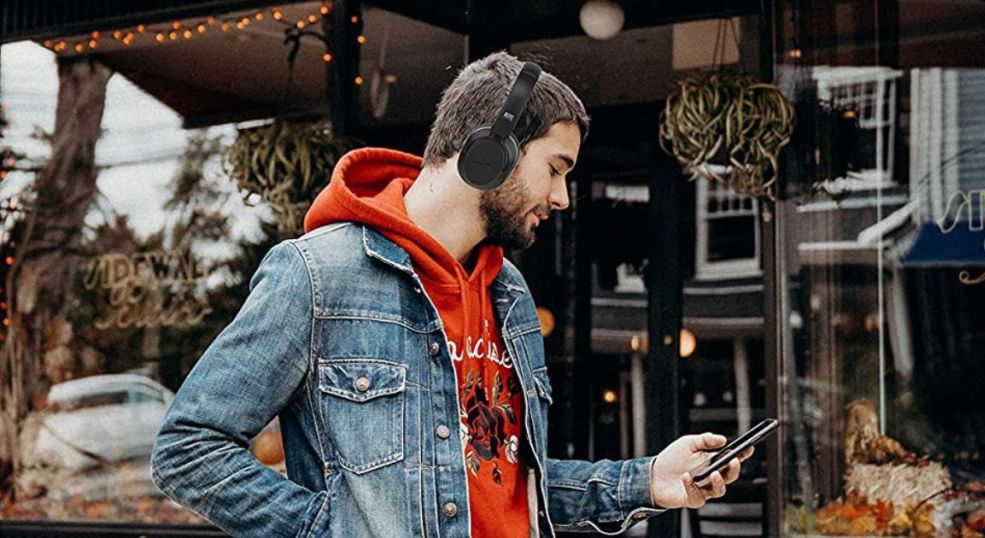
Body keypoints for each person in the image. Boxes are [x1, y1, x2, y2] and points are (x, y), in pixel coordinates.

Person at [150, 50, 752, 538]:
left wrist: (650, 480)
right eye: (556, 168)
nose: (564, 197)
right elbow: (188, 447)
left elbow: (508, 482)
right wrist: (328, 530)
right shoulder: (317, 275)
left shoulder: (509, 294)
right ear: (490, 153)